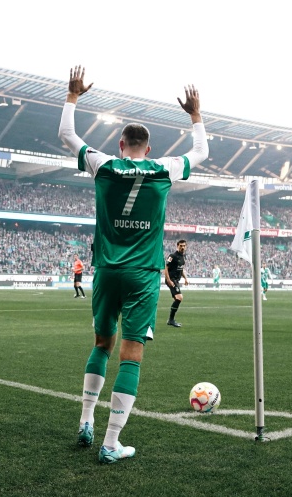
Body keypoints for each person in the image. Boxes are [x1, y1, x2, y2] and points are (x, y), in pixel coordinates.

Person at [59, 66, 208, 464]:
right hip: (143, 275)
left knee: (101, 345)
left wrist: (73, 96)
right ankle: (111, 443)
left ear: (121, 143)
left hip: (107, 270)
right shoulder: (164, 169)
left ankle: (85, 422)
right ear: (150, 146)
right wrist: (195, 115)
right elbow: (202, 153)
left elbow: (66, 137)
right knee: (131, 353)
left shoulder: (104, 165)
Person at [164, 240, 189, 327]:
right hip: (171, 279)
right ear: (177, 246)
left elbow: (181, 269)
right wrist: (168, 280)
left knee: (177, 299)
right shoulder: (172, 256)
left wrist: (185, 278)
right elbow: (166, 268)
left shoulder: (183, 257)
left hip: (176, 280)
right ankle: (171, 320)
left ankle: (171, 320)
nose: (182, 247)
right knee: (179, 297)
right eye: (181, 245)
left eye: (184, 246)